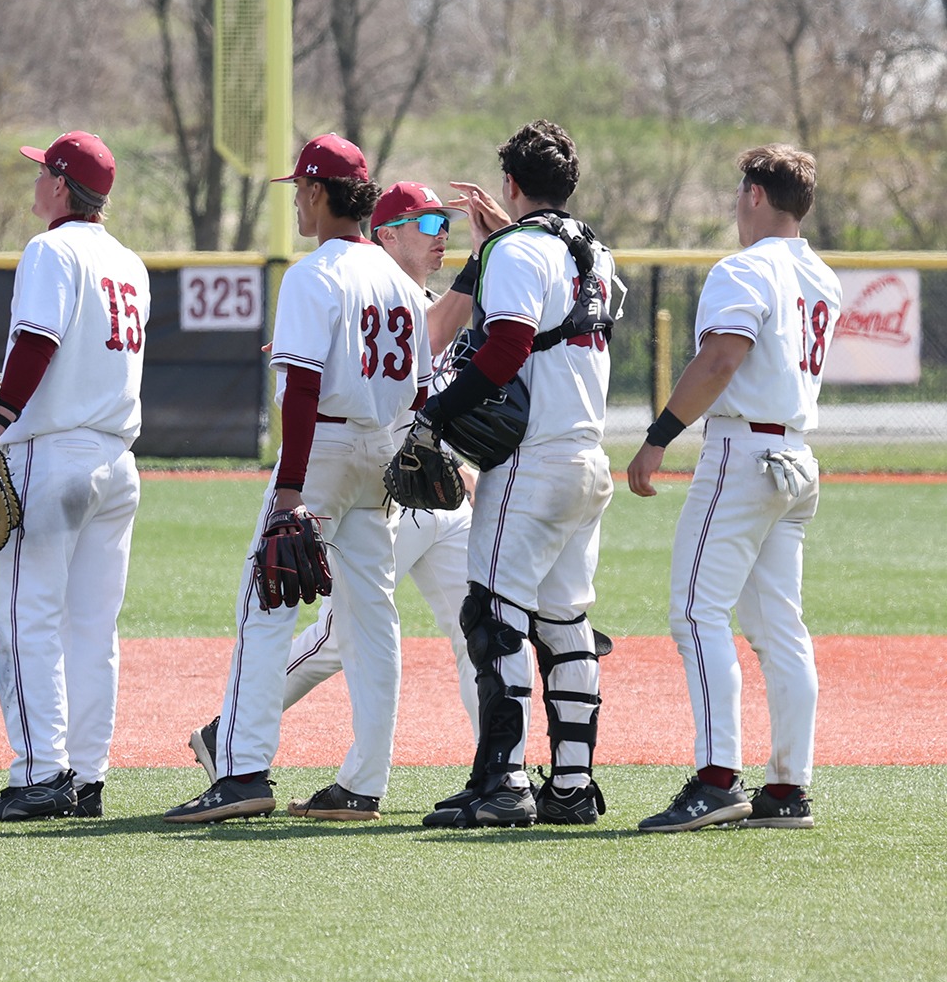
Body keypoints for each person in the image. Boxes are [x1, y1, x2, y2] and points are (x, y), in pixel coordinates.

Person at [185, 181, 476, 820]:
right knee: (371, 620)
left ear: (317, 193)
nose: (296, 201)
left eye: (300, 189)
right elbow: (419, 389)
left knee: (266, 604)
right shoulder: (402, 283)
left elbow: (302, 390)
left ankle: (242, 770)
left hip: (323, 454)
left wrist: (290, 490)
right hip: (384, 453)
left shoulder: (313, 273)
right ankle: (364, 783)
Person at [415, 120, 625, 828]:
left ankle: (504, 784)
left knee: (493, 615)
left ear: (509, 184)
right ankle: (571, 785)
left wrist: (435, 415)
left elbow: (505, 348)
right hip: (588, 458)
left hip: (532, 462)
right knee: (565, 621)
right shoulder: (595, 251)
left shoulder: (515, 249)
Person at [629, 145, 836, 832]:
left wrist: (659, 436)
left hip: (743, 454)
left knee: (695, 613)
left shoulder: (744, 268)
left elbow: (721, 359)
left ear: (754, 194)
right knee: (780, 628)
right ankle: (788, 788)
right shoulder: (822, 276)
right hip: (796, 454)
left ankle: (718, 779)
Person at [0, 130, 148, 822]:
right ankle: (86, 776)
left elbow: (38, 341)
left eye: (44, 172)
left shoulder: (51, 250)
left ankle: (41, 773)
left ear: (64, 186)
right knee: (93, 629)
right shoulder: (129, 262)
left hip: (53, 453)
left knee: (22, 620)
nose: (36, 181)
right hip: (117, 461)